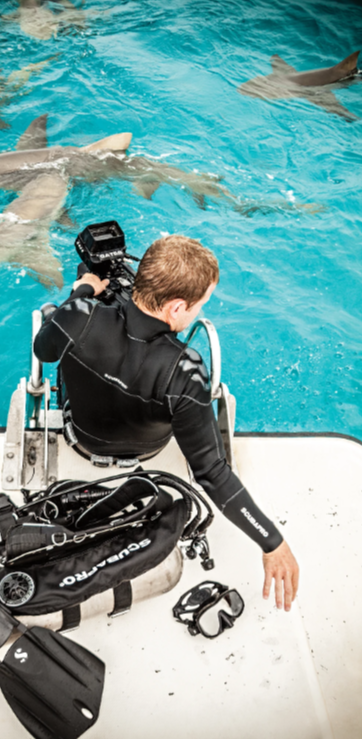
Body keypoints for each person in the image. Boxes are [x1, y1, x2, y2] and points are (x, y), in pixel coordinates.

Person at [34, 234, 300, 611]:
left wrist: (81, 292)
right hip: (145, 449)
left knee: (57, 329)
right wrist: (272, 542)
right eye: (200, 305)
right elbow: (212, 473)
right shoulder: (185, 372)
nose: (199, 312)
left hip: (80, 437)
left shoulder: (81, 314)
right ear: (176, 308)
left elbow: (43, 349)